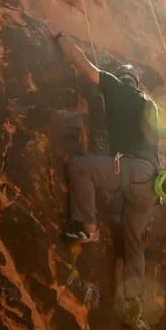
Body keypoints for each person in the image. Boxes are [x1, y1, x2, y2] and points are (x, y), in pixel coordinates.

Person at [54, 31, 159, 278]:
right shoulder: (150, 104)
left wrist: (60, 37)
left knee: (81, 167)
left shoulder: (115, 86)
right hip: (152, 184)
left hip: (131, 170)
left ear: (122, 78)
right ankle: (134, 304)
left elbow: (83, 65)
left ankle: (88, 228)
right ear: (137, 82)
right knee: (133, 240)